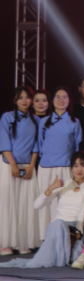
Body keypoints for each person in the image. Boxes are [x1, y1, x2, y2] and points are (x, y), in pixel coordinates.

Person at [3, 152, 84, 268]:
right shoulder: (64, 184)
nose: (79, 169)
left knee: (76, 258)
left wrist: (79, 233)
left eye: (83, 165)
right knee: (58, 224)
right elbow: (37, 205)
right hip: (57, 227)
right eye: (76, 166)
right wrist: (51, 188)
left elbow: (83, 212)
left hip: (75, 228)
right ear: (71, 168)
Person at [36, 87, 83, 238]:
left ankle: (65, 237)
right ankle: (45, 237)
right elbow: (40, 144)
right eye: (58, 97)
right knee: (46, 201)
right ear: (52, 100)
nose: (61, 100)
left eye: (64, 97)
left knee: (65, 203)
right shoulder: (44, 121)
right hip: (46, 167)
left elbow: (78, 146)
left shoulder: (75, 122)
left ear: (69, 100)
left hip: (66, 167)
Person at [1, 86, 40, 255]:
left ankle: (23, 242)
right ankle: (6, 243)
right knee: (8, 203)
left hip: (28, 166)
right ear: (15, 100)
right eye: (20, 97)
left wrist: (31, 166)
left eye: (27, 97)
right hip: (9, 165)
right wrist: (13, 165)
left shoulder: (36, 120)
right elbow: (4, 143)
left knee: (26, 205)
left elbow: (37, 145)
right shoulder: (7, 117)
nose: (24, 101)